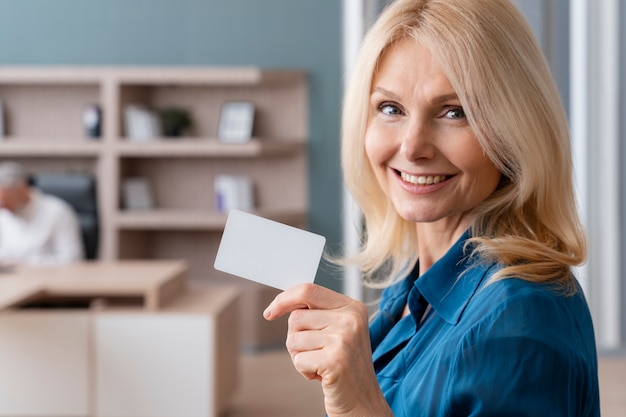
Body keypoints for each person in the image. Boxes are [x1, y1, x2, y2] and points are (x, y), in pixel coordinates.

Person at [263, 0, 600, 416]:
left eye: (454, 112)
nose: (411, 147)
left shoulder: (516, 327)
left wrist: (360, 407)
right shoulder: (412, 284)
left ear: (514, 130)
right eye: (391, 109)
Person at [0, 161, 83, 267]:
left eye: (4, 200)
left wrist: (25, 264)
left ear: (22, 190)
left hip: (50, 280)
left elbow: (72, 260)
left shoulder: (58, 212)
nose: (1, 206)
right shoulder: (3, 215)